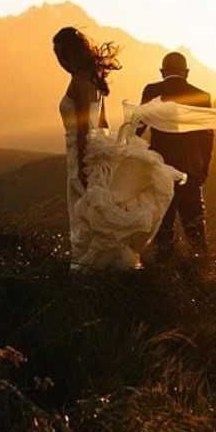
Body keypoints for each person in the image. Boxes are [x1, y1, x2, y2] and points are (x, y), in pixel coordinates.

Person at [52, 27, 184, 271]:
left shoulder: (79, 80)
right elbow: (101, 122)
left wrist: (82, 162)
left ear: (69, 53)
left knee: (84, 211)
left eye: (60, 55)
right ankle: (97, 267)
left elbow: (82, 128)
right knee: (93, 210)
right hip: (94, 146)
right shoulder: (93, 76)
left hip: (82, 150)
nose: (60, 61)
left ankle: (87, 268)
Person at [140, 52, 214, 260]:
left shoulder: (152, 90)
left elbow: (139, 125)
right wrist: (204, 169)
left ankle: (164, 279)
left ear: (162, 72)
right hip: (189, 171)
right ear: (187, 73)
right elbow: (207, 137)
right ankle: (203, 275)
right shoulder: (202, 96)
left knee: (163, 232)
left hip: (159, 169)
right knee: (196, 232)